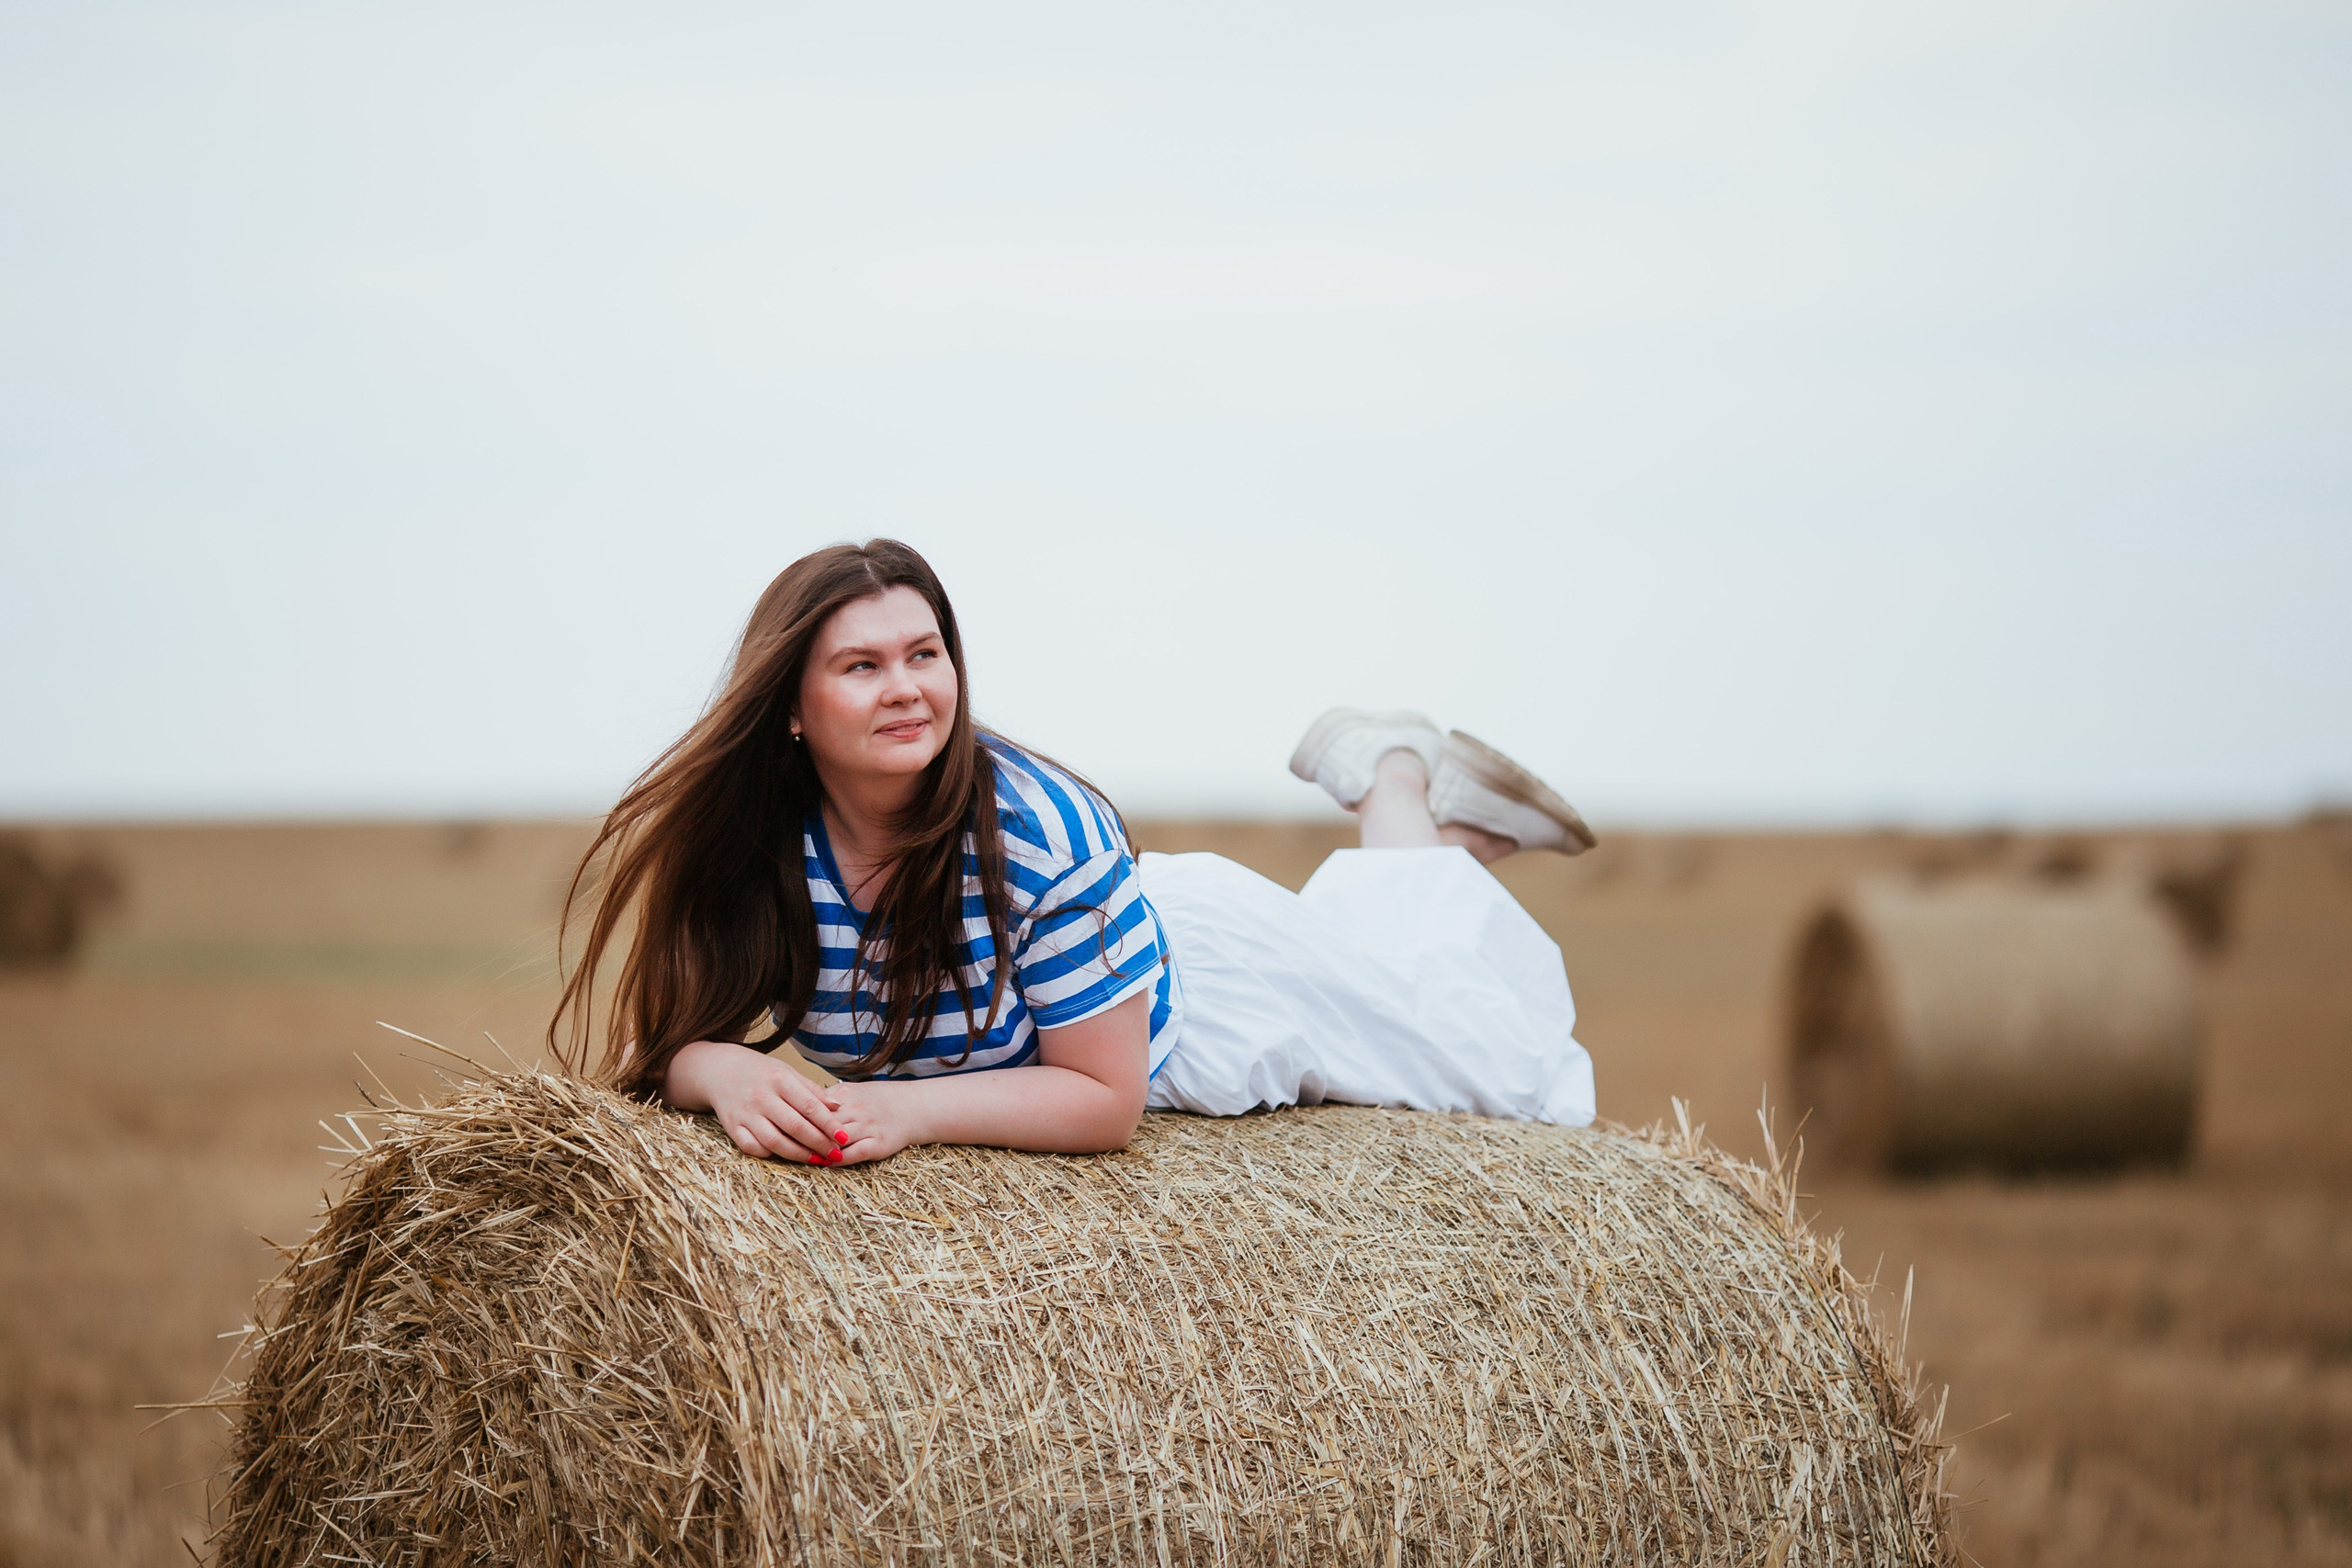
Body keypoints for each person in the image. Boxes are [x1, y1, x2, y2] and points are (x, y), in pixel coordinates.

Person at [551, 539, 1597, 1167]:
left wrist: (897, 1111)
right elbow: (664, 1056)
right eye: (861, 666)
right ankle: (1434, 830)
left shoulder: (1037, 832)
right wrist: (719, 1069)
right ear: (790, 706)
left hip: (1208, 1001)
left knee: (1499, 1067)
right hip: (1084, 956)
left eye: (925, 654)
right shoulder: (755, 848)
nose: (907, 686)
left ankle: (1396, 779)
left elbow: (1105, 1100)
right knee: (1397, 958)